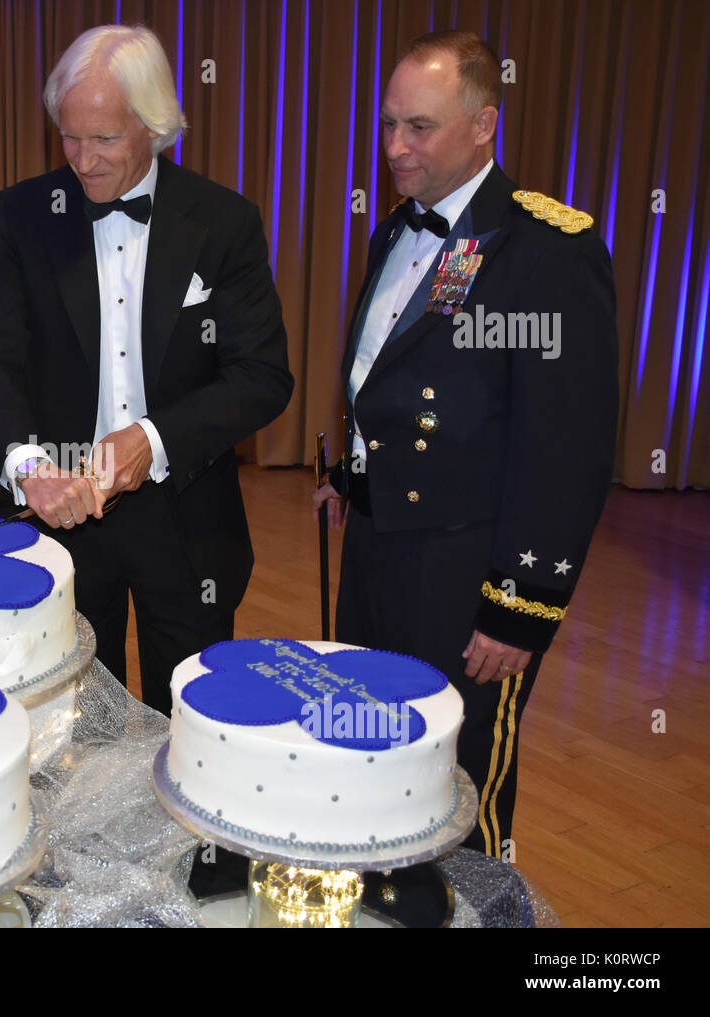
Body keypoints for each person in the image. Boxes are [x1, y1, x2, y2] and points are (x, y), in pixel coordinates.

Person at [313, 31, 619, 856]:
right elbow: (409, 382)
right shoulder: (395, 231)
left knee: (461, 773)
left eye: (419, 127)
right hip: (380, 549)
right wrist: (353, 476)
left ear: (485, 125)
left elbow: (565, 449)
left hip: (469, 567)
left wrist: (518, 606)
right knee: (378, 737)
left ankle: (479, 912)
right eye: (387, 126)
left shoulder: (546, 252)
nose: (394, 148)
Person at [0, 25, 293, 715]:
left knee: (191, 734)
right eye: (70, 137)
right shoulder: (18, 216)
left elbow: (261, 374)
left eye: (104, 139)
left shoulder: (223, 221)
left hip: (189, 519)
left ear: (156, 125)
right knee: (71, 730)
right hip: (59, 516)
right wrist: (29, 467)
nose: (82, 160)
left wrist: (153, 438)